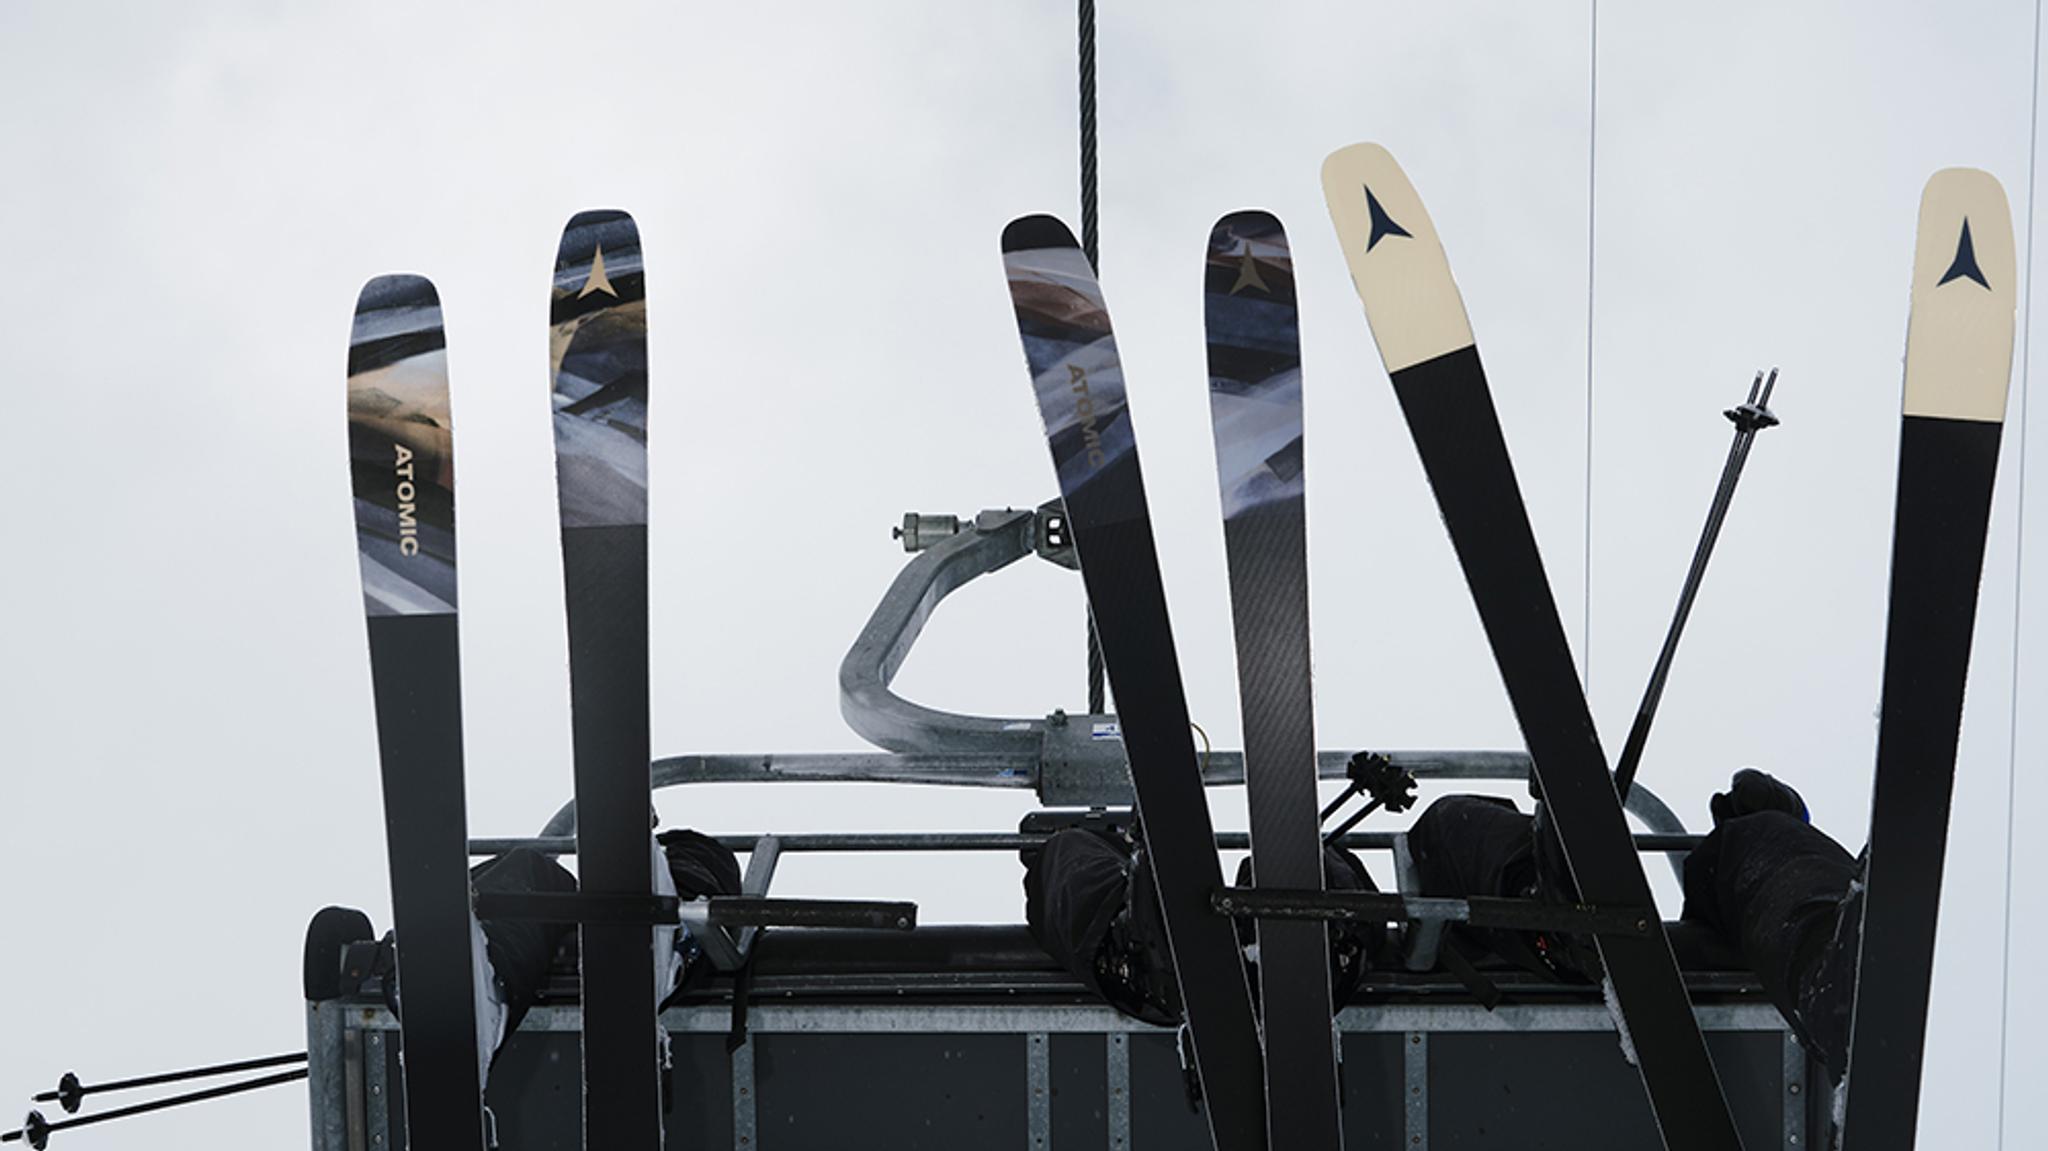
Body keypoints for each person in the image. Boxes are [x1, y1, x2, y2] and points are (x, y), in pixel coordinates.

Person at [1406, 768, 1861, 1083]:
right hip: (1537, 946)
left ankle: (1832, 967)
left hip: (1730, 955)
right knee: (1449, 826)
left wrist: (1766, 823)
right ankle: (1555, 906)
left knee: (1754, 841)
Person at [305, 825, 742, 1091]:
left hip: (678, 893)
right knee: (526, 872)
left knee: (528, 875)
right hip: (565, 922)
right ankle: (476, 980)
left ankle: (651, 933)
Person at [1019, 818, 1387, 1026]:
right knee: (1306, 860)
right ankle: (1302, 936)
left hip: (1144, 972)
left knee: (1075, 861)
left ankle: (1174, 935)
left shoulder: (1073, 869)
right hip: (1145, 966)